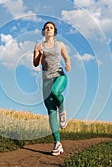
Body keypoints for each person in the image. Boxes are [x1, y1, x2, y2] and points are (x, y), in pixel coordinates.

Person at [33, 21, 71, 156]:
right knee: (50, 111)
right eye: (46, 28)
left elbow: (66, 57)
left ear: (54, 31)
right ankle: (57, 143)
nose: (48, 29)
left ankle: (63, 110)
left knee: (56, 92)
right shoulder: (38, 46)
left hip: (59, 76)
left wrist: (67, 64)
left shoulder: (60, 44)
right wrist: (39, 53)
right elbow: (36, 63)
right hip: (46, 80)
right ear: (43, 31)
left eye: (51, 28)